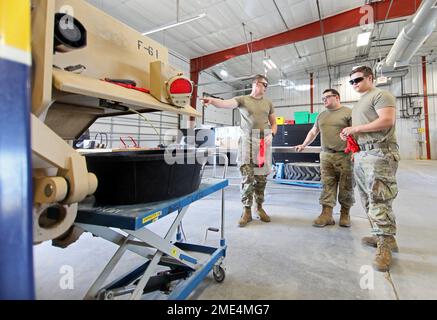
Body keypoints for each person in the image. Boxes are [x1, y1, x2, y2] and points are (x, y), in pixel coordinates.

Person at [341, 66, 400, 272]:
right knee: (367, 199)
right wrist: (350, 135)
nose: (354, 84)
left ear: (370, 78)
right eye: (351, 82)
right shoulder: (359, 103)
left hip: (379, 153)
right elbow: (364, 127)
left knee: (379, 198)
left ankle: (385, 247)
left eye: (357, 80)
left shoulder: (381, 95)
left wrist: (355, 128)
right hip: (362, 154)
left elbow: (386, 121)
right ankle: (383, 237)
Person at [201, 75, 277, 227]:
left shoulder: (268, 103)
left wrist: (272, 134)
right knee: (247, 177)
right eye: (264, 84)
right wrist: (212, 101)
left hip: (263, 143)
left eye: (267, 85)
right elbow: (225, 104)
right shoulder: (243, 100)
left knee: (261, 179)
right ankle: (246, 211)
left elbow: (274, 123)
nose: (266, 88)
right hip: (247, 141)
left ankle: (259, 207)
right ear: (255, 83)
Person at [296, 89, 355, 228]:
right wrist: (303, 144)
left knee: (346, 185)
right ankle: (326, 214)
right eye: (322, 98)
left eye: (327, 97)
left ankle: (345, 214)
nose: (324, 100)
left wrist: (355, 151)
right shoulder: (321, 115)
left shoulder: (349, 112)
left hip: (344, 155)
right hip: (326, 155)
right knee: (327, 184)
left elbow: (356, 132)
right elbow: (313, 131)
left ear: (337, 97)